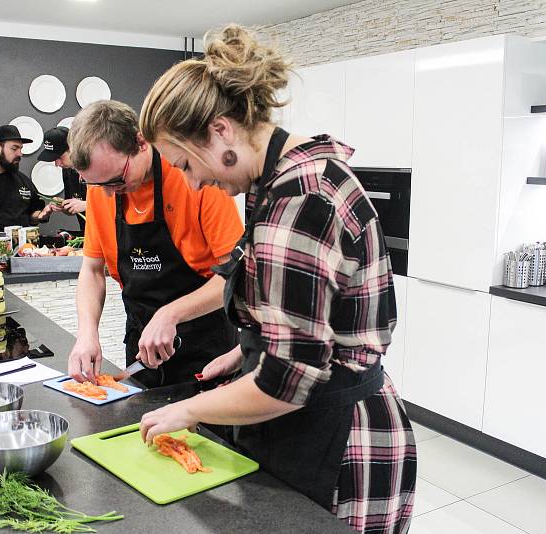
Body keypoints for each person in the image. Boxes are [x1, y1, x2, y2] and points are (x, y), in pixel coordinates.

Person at [137, 25, 416, 533]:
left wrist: (191, 411)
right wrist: (246, 352)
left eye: (185, 163)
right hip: (322, 424)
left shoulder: (299, 203)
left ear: (221, 130)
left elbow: (289, 380)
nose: (194, 182)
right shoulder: (291, 177)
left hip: (339, 447)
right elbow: (308, 321)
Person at [66, 100, 244, 389]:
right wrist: (87, 333)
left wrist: (170, 313)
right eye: (98, 185)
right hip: (142, 348)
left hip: (206, 347)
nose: (109, 193)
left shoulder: (194, 176)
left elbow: (235, 275)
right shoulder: (103, 190)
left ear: (141, 142)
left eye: (116, 180)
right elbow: (92, 270)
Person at [37, 126, 87, 232]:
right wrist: (62, 205)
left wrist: (87, 205)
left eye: (59, 157)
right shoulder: (68, 171)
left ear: (72, 148)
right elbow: (73, 209)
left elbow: (115, 204)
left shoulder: (96, 167)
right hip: (88, 235)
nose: (57, 164)